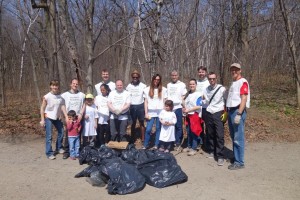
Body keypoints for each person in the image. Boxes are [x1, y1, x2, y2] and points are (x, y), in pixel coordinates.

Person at [226, 63, 250, 170]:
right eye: (232, 70)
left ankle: (239, 162)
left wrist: (239, 114)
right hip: (231, 111)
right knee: (233, 137)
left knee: (238, 138)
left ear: (240, 70)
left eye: (236, 70)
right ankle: (236, 157)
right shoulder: (234, 83)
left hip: (237, 111)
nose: (234, 71)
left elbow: (243, 98)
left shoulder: (243, 82)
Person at [203, 72, 226, 166]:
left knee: (219, 135)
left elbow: (226, 100)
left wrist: (226, 112)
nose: (212, 80)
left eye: (213, 78)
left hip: (218, 113)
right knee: (210, 134)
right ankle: (212, 151)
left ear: (216, 79)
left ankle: (220, 156)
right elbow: (206, 100)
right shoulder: (206, 89)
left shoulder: (222, 89)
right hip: (209, 112)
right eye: (210, 79)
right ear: (208, 79)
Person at [40, 80, 67, 160]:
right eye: (53, 85)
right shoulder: (47, 96)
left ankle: (59, 147)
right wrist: (42, 119)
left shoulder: (60, 97)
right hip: (48, 117)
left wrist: (64, 116)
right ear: (50, 86)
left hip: (57, 117)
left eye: (56, 85)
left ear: (58, 87)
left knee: (61, 132)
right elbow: (42, 108)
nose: (55, 87)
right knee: (49, 135)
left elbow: (62, 107)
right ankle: (49, 153)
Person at [61, 78, 85, 159]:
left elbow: (84, 105)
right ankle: (67, 151)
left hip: (78, 117)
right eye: (73, 83)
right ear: (70, 84)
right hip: (70, 117)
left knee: (77, 135)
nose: (75, 85)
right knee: (68, 134)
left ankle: (77, 152)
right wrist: (66, 117)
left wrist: (81, 114)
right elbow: (62, 105)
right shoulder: (65, 95)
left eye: (76, 84)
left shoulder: (82, 95)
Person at [143, 74, 167, 149]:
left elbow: (165, 101)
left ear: (160, 80)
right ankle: (145, 144)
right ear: (153, 80)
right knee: (148, 129)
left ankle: (156, 144)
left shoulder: (164, 89)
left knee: (158, 128)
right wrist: (146, 113)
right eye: (155, 79)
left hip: (160, 112)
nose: (156, 81)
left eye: (158, 79)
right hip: (150, 113)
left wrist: (165, 112)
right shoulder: (147, 89)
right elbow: (146, 102)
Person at [166, 70, 187, 150]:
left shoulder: (182, 84)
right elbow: (167, 96)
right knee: (171, 125)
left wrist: (184, 106)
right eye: (172, 75)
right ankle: (171, 141)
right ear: (171, 76)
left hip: (178, 107)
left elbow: (183, 96)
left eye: (175, 75)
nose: (174, 77)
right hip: (170, 108)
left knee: (178, 125)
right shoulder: (168, 85)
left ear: (178, 76)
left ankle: (178, 142)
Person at [182, 79, 203, 156]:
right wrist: (184, 107)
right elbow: (185, 103)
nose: (192, 85)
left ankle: (194, 148)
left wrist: (189, 109)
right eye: (190, 84)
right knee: (189, 131)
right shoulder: (187, 94)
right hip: (188, 115)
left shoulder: (198, 94)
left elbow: (198, 106)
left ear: (196, 85)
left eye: (193, 84)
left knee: (194, 131)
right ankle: (189, 146)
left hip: (194, 115)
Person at [126, 69, 146, 143]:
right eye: (133, 77)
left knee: (141, 123)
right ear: (132, 77)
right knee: (133, 123)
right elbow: (127, 97)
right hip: (132, 106)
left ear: (139, 77)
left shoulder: (143, 86)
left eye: (136, 77)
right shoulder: (129, 86)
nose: (135, 79)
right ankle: (132, 138)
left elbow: (145, 97)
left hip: (140, 106)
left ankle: (143, 138)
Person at [196, 66, 210, 148]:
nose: (201, 73)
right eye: (200, 72)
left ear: (205, 73)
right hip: (197, 107)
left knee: (207, 126)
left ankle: (207, 142)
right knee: (199, 126)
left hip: (206, 107)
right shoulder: (196, 82)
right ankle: (200, 141)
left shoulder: (208, 82)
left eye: (202, 72)